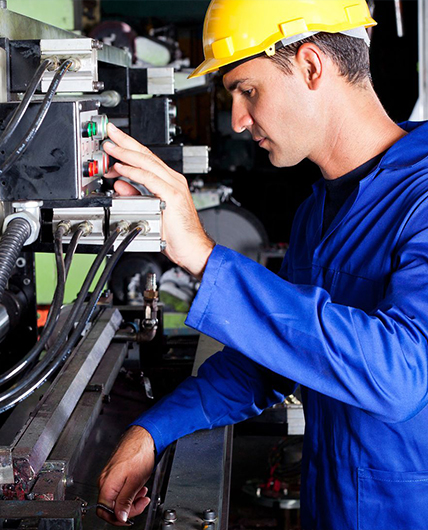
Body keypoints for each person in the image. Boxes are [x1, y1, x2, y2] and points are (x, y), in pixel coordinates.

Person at [97, 1, 428, 528]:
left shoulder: (422, 198)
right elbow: (275, 359)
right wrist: (152, 431)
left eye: (248, 90)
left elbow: (403, 374)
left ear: (312, 66)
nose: (238, 120)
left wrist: (207, 258)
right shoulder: (316, 213)